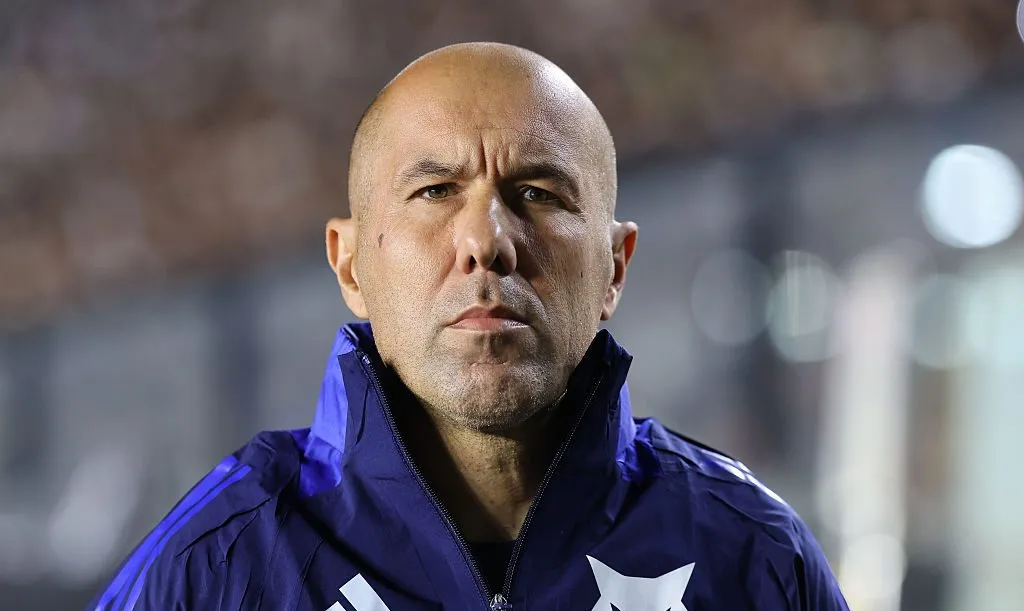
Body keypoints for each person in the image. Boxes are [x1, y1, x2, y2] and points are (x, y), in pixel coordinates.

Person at [91, 42, 850, 611]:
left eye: (538, 192)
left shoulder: (751, 556)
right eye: (434, 190)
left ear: (614, 266)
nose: (485, 238)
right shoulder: (216, 567)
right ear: (351, 265)